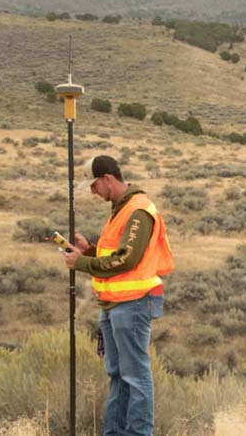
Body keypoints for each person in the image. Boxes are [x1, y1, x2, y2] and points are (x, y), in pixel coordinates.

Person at [62, 155, 174, 436]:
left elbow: (127, 259)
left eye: (94, 185)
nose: (93, 192)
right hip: (115, 305)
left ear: (108, 180)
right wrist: (88, 250)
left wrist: (83, 264)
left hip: (134, 304)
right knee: (118, 375)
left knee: (135, 376)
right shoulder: (121, 208)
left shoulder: (138, 210)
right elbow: (114, 255)